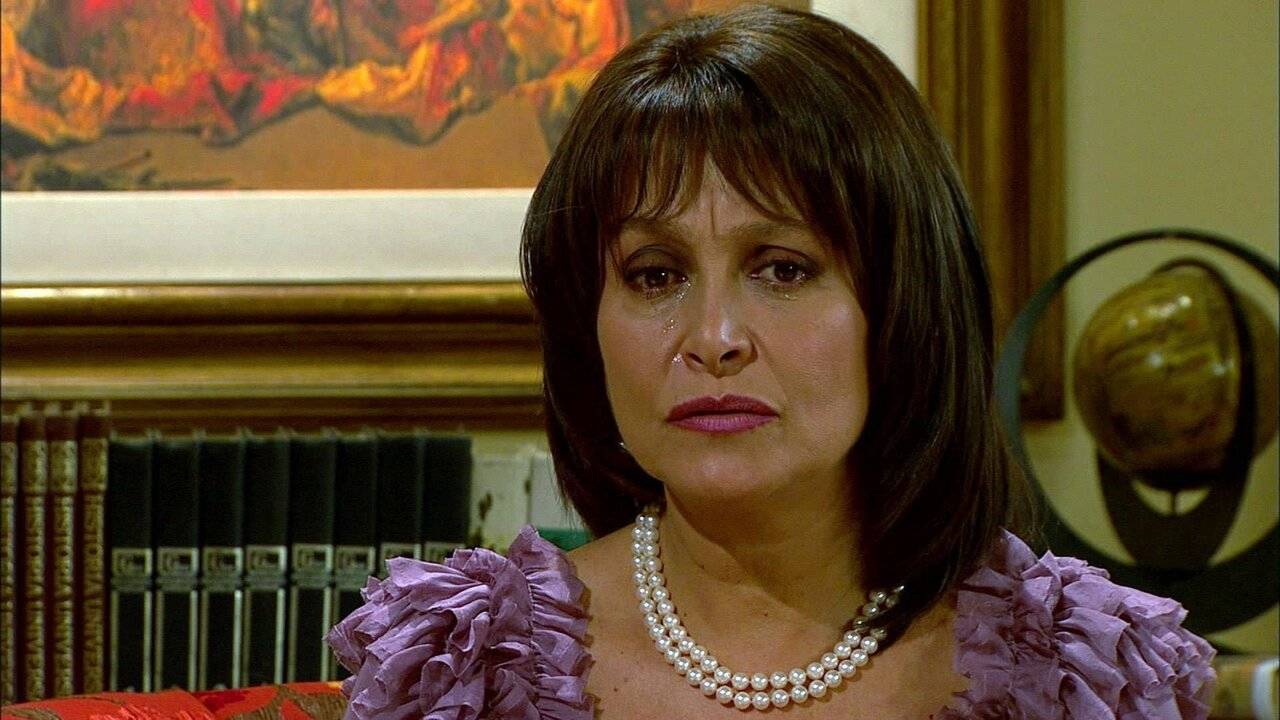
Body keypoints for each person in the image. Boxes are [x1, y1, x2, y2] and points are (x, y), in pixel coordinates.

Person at [326, 5, 1216, 718]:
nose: (714, 336)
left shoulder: (1084, 674)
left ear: (901, 306)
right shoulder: (463, 668)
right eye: (655, 274)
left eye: (782, 269)